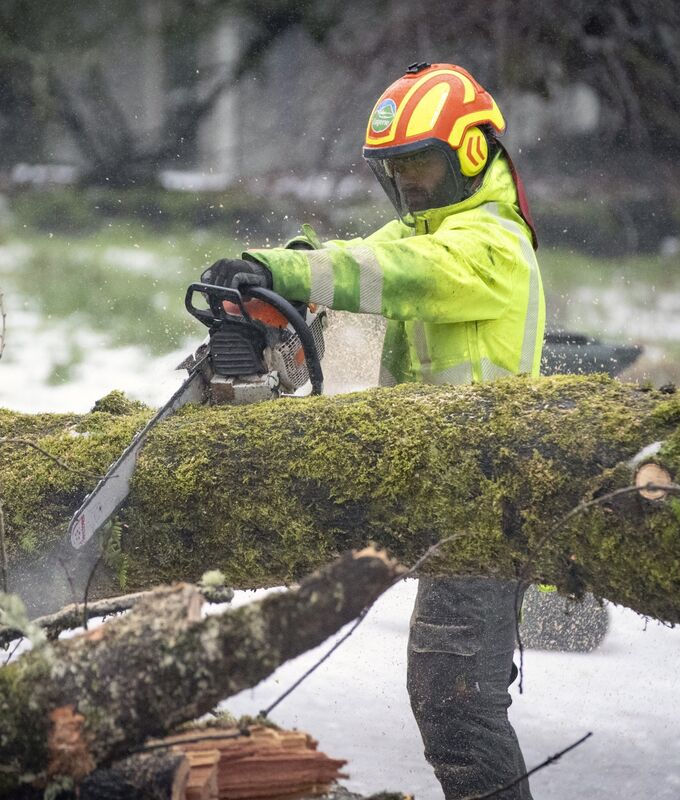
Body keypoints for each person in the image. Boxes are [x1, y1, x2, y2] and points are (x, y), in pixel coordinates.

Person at [201, 62, 544, 799]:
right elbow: (355, 336)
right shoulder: (406, 238)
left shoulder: (494, 244)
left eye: (421, 166)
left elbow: (395, 273)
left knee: (458, 704)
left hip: (491, 496)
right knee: (446, 700)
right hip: (426, 480)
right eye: (397, 171)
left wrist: (282, 271)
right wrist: (279, 303)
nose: (410, 186)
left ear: (473, 153)